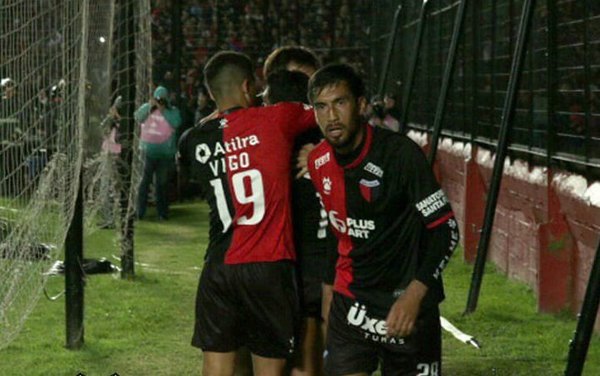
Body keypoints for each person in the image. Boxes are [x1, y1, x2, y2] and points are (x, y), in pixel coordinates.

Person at [306, 63, 459, 376]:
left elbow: (445, 229)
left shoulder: (400, 155)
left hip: (405, 305)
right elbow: (338, 233)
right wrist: (329, 298)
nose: (331, 116)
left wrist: (414, 296)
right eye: (321, 106)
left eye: (340, 103)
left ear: (361, 105)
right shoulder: (318, 162)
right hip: (351, 306)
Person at [177, 51, 317, 376]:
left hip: (217, 268)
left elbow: (189, 158)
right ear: (247, 86)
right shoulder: (277, 118)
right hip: (267, 266)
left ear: (211, 93)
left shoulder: (193, 138)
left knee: (217, 367)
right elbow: (328, 116)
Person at [134, 85, 182, 220]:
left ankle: (162, 213)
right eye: (157, 99)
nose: (159, 102)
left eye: (162, 99)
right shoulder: (148, 108)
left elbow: (177, 123)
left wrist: (163, 110)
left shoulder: (172, 111)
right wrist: (150, 106)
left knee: (162, 185)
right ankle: (139, 212)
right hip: (147, 153)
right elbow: (137, 117)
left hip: (164, 155)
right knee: (143, 184)